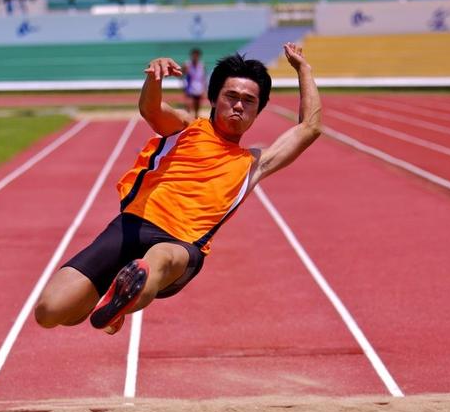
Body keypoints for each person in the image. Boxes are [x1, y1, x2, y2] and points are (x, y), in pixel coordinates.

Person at [34, 43, 321, 336]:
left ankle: (126, 295)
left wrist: (304, 70)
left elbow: (309, 128)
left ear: (258, 110)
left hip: (182, 247)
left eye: (248, 101)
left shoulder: (254, 163)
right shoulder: (187, 127)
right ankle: (111, 301)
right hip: (130, 227)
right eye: (231, 96)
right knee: (48, 312)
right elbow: (151, 109)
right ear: (213, 98)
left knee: (158, 259)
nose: (238, 105)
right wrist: (154, 78)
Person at [182, 47, 207, 118]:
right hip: (189, 88)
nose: (195, 57)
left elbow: (203, 77)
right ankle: (187, 119)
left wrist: (204, 89)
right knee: (188, 105)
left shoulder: (202, 65)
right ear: (191, 55)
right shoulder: (187, 64)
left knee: (197, 106)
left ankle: (196, 118)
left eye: (197, 55)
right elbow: (181, 74)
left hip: (199, 88)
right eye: (194, 55)